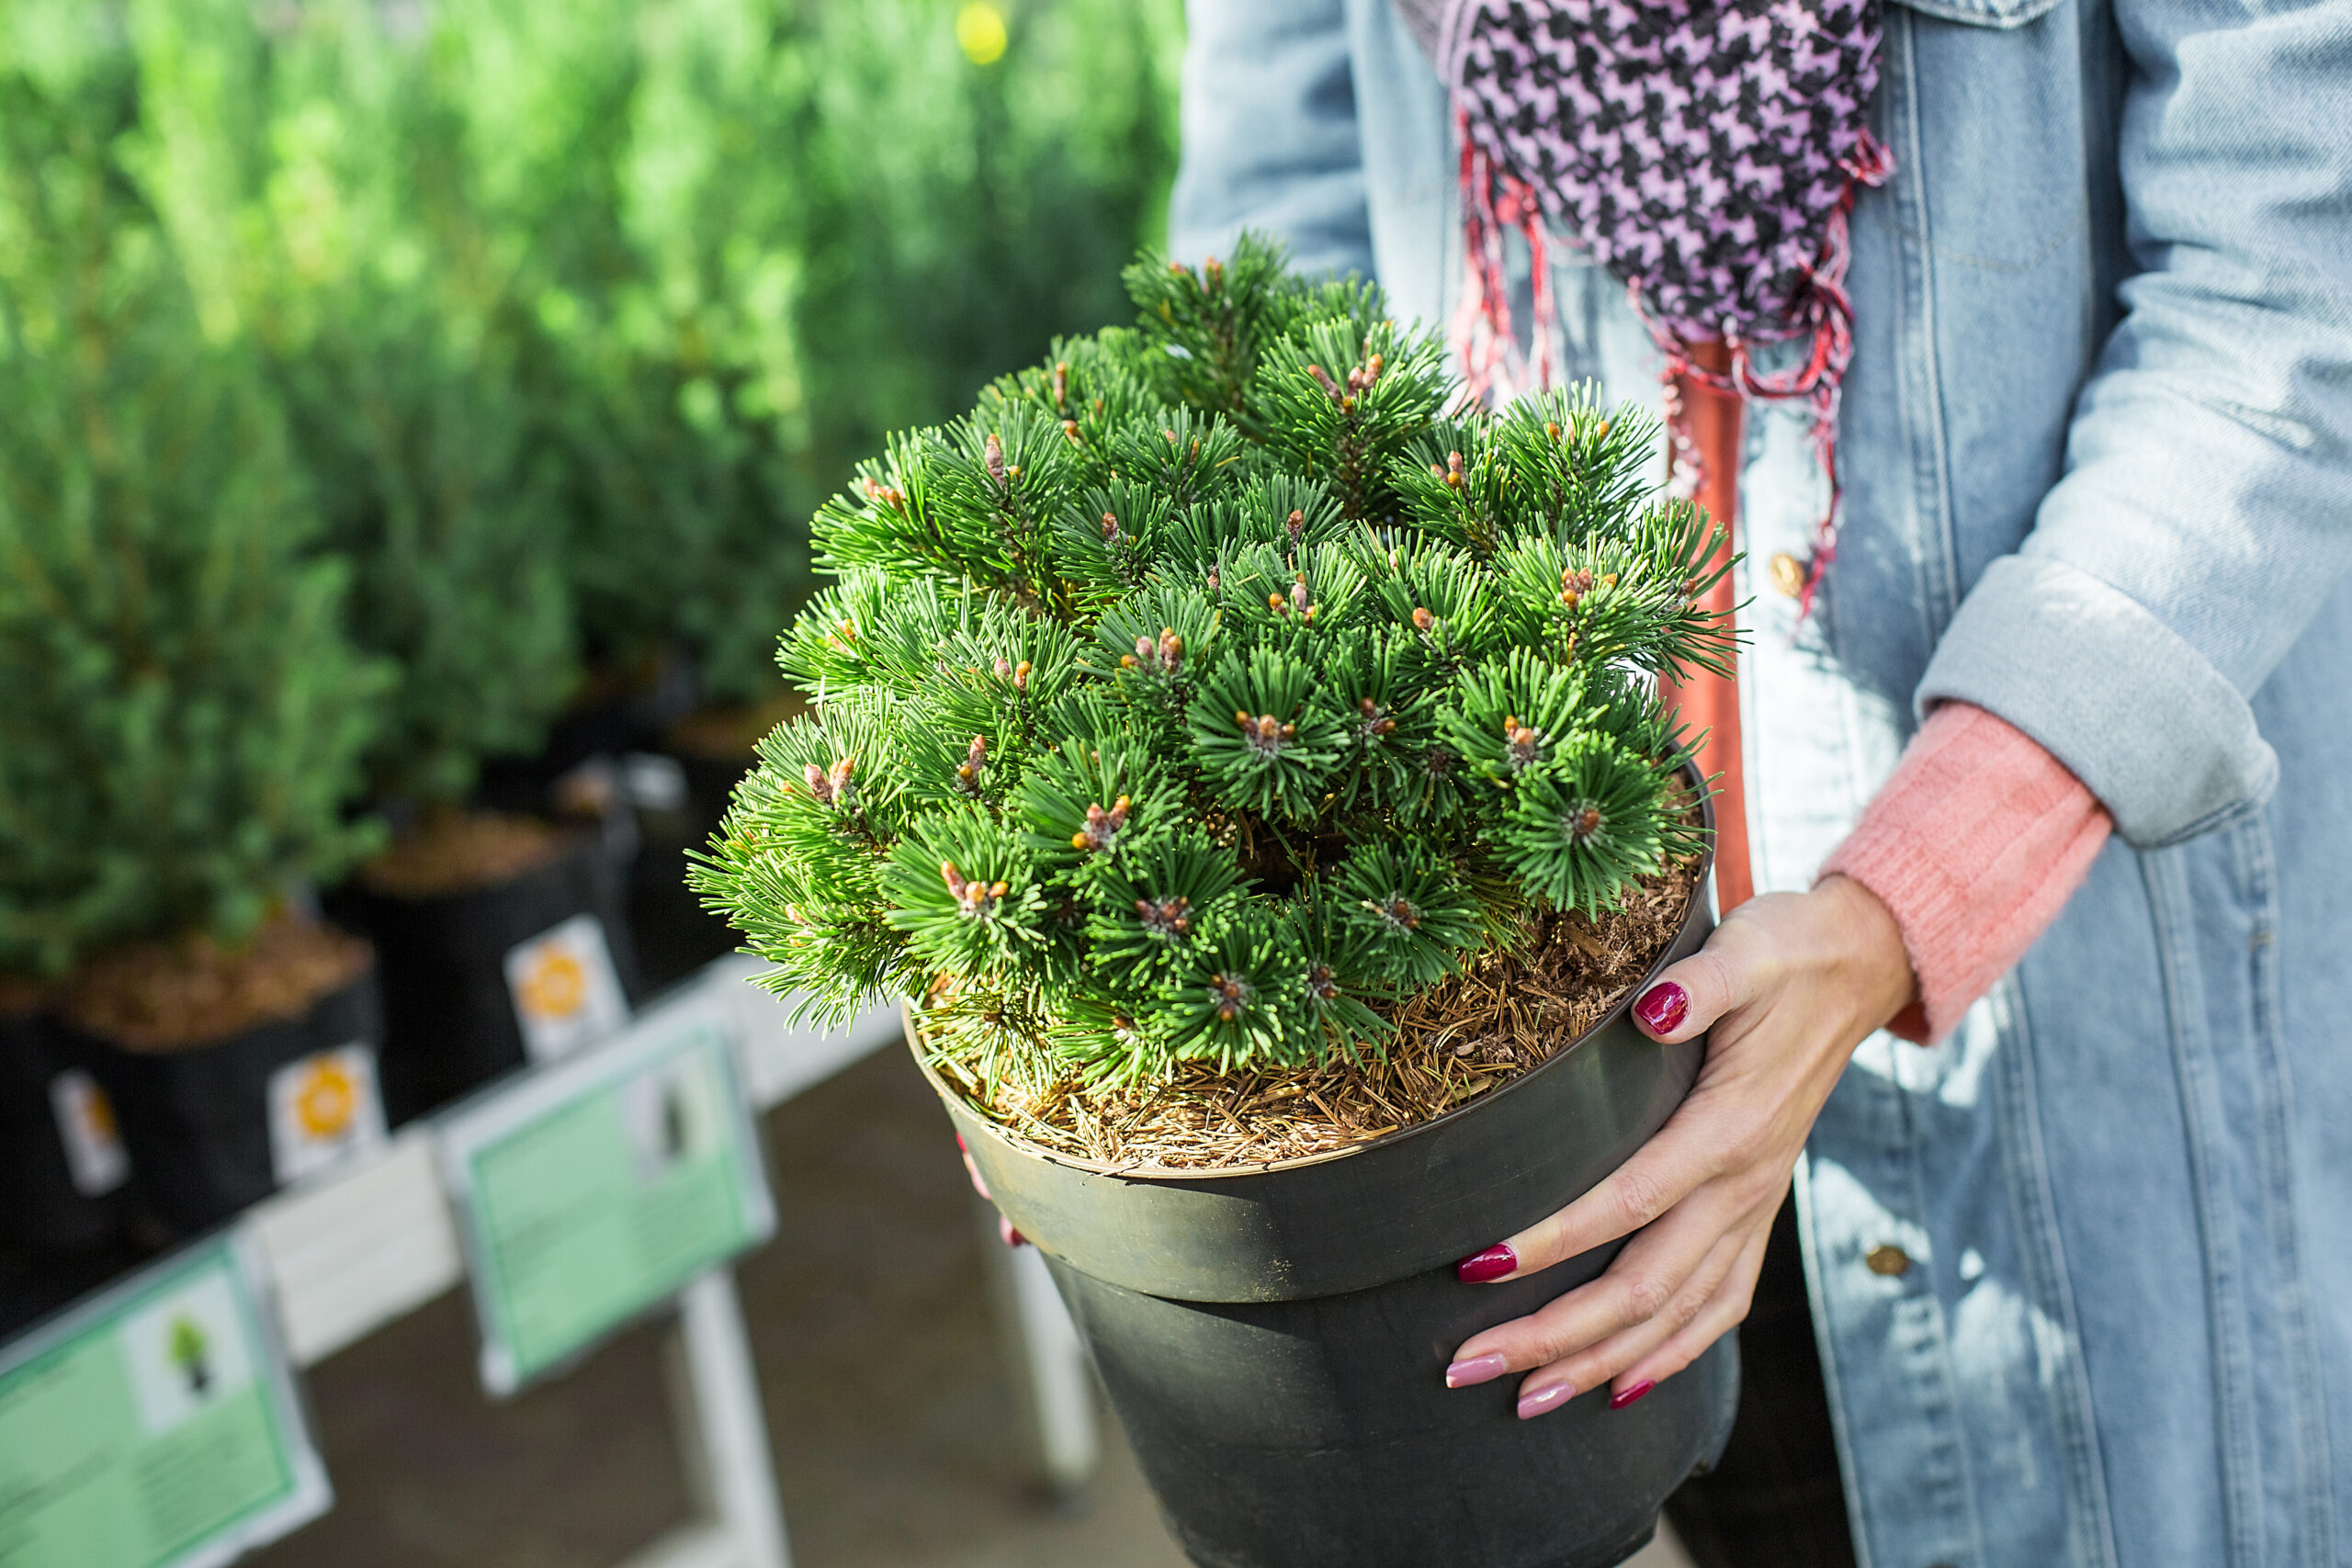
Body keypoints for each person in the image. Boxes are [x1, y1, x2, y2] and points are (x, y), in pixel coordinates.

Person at [1159, 0, 2352, 1564]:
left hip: (2061, 1013)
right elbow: (1282, 247)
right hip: (1584, 1029)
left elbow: (2282, 297)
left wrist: (1899, 906)